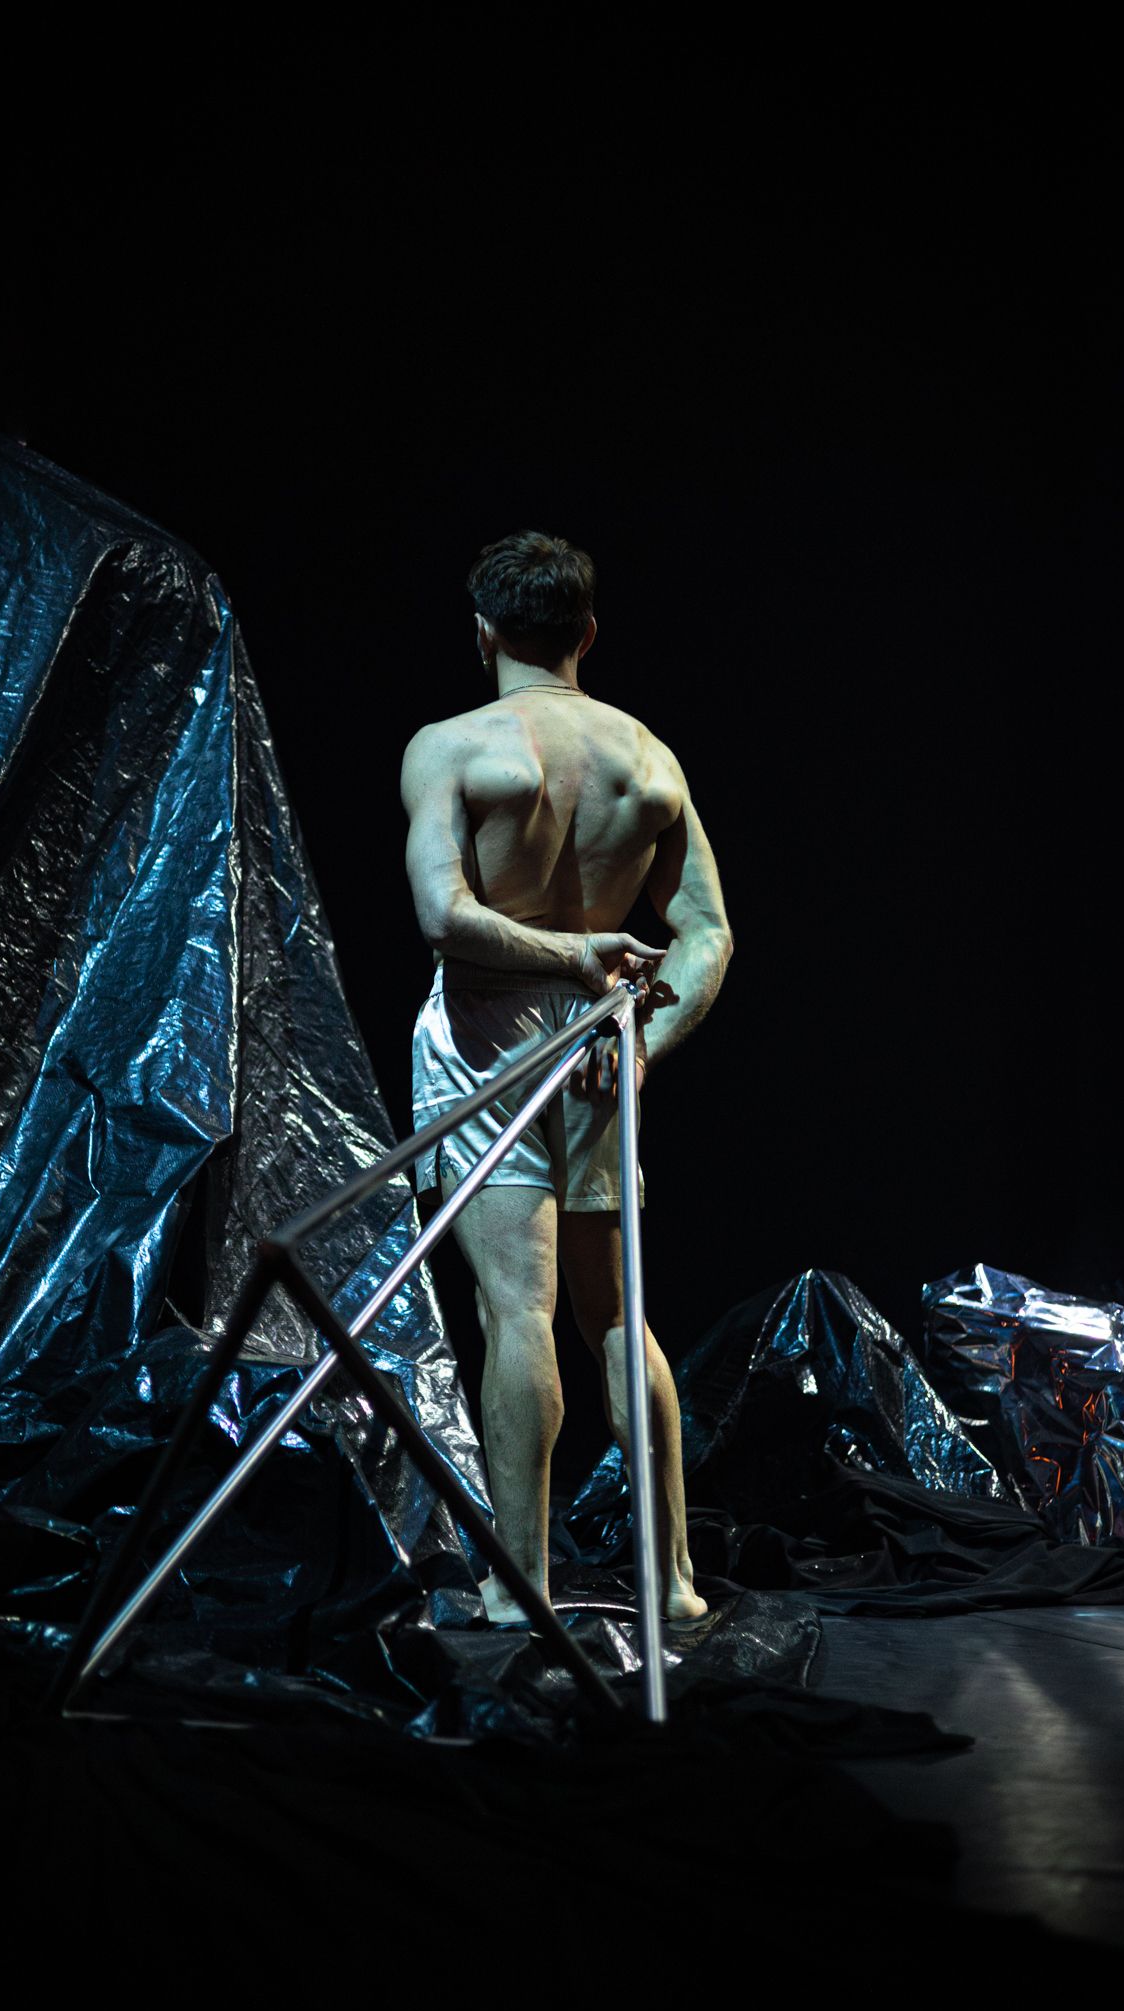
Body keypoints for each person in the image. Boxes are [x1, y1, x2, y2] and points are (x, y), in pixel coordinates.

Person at [401, 530, 733, 1626]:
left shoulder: (455, 746)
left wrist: (580, 973)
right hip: (594, 1043)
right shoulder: (649, 760)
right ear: (587, 633)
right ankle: (672, 1578)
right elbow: (705, 936)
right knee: (615, 1316)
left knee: (519, 1311)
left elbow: (445, 916)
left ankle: (521, 1580)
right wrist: (637, 1036)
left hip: (497, 1036)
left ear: (484, 632)